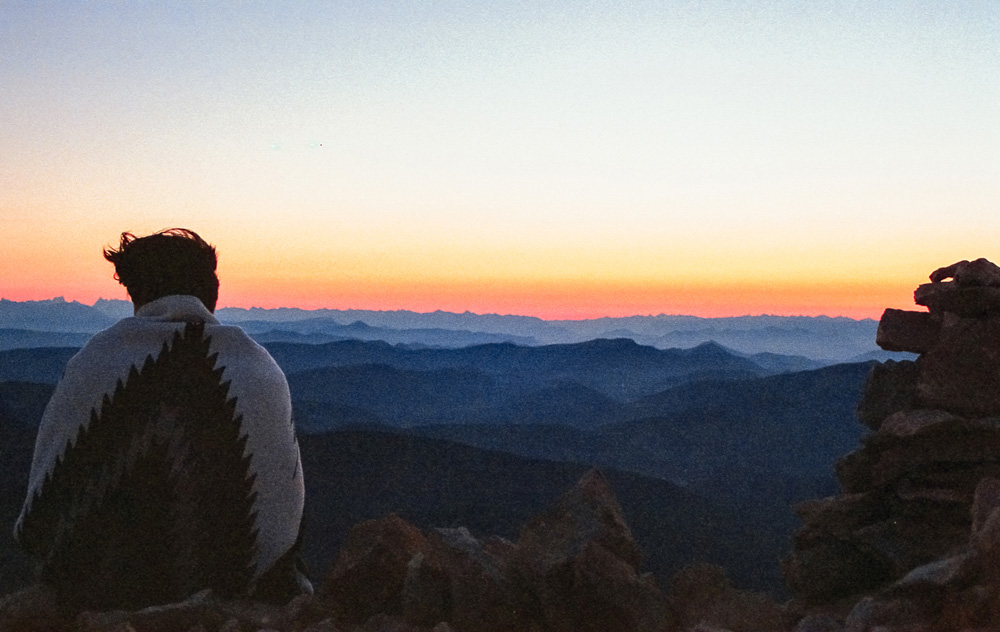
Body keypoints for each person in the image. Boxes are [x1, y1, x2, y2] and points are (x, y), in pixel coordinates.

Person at [14, 228, 310, 611]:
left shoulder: (96, 361)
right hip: (239, 586)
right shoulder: (260, 369)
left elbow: (44, 515)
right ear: (212, 292)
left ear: (136, 295)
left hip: (99, 592)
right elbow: (284, 506)